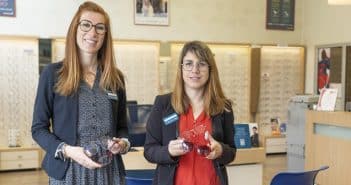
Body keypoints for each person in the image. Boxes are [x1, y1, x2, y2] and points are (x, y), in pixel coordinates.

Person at [31, 2, 130, 184]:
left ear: (105, 35)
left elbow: (123, 126)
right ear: (75, 29)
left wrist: (123, 143)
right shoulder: (53, 74)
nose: (92, 33)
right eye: (86, 24)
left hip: (109, 172)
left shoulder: (115, 78)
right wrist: (68, 150)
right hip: (69, 170)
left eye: (100, 28)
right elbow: (38, 129)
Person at [144, 41, 236, 185]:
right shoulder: (163, 104)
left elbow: (231, 152)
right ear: (181, 69)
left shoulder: (223, 108)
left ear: (210, 69)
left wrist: (220, 150)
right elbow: (149, 150)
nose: (195, 70)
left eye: (202, 64)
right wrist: (168, 151)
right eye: (188, 64)